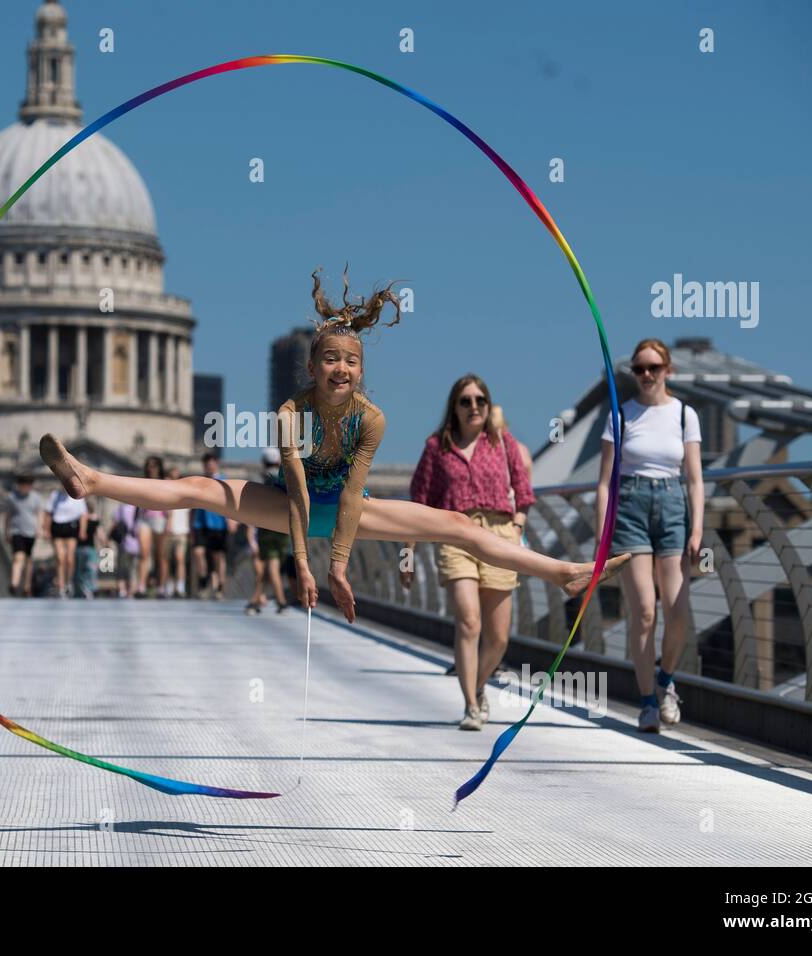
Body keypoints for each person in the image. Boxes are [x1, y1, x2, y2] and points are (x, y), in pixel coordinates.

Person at [38, 265, 630, 626]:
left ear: (360, 369)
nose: (340, 368)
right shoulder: (292, 411)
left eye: (351, 360)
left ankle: (561, 573)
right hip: (290, 504)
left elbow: (351, 495)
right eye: (330, 359)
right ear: (313, 365)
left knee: (459, 526)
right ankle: (91, 480)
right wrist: (303, 565)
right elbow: (294, 492)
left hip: (351, 508)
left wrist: (339, 568)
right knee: (200, 488)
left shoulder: (371, 418)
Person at [403, 376, 534, 730]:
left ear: (488, 406)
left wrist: (517, 528)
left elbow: (523, 492)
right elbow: (419, 501)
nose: (473, 406)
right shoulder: (437, 448)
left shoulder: (503, 442)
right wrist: (408, 551)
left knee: (499, 636)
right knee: (469, 621)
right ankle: (471, 705)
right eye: (465, 401)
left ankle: (478, 685)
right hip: (455, 533)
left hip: (499, 534)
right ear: (454, 407)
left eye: (480, 400)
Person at [596, 337, 704, 733]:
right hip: (630, 507)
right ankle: (646, 703)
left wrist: (697, 529)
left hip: (673, 506)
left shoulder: (684, 415)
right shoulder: (620, 415)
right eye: (639, 368)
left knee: (677, 612)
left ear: (668, 371)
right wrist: (602, 534)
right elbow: (605, 481)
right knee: (644, 610)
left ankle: (666, 679)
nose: (645, 375)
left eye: (653, 368)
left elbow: (694, 478)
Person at [245, 447, 291, 615]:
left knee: (271, 565)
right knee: (271, 566)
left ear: (263, 462)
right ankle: (257, 600)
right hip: (283, 527)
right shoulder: (285, 478)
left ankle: (280, 602)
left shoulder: (258, 479)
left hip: (265, 527)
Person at [190, 452, 236, 599]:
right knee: (198, 552)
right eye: (207, 463)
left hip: (218, 524)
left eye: (211, 462)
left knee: (218, 556)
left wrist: (232, 520)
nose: (209, 466)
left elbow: (230, 503)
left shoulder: (223, 481)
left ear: (216, 464)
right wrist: (191, 525)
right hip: (200, 523)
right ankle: (203, 581)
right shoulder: (200, 480)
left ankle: (220, 586)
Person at [133, 456, 168, 598]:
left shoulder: (165, 483)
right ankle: (141, 586)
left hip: (160, 519)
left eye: (154, 465)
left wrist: (169, 521)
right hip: (145, 519)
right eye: (149, 465)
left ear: (159, 467)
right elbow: (136, 502)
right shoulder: (143, 481)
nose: (151, 468)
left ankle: (161, 587)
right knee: (144, 554)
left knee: (161, 556)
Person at [3, 473, 44, 597]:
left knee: (29, 560)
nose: (26, 487)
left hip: (31, 532)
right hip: (17, 531)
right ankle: (14, 584)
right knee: (18, 557)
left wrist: (39, 528)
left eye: (28, 485)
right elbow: (7, 516)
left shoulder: (36, 498)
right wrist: (6, 532)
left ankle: (27, 586)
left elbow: (40, 514)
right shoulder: (11, 497)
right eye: (23, 485)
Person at [43, 485, 86, 598]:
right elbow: (48, 513)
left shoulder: (78, 496)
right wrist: (46, 530)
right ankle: (61, 586)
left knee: (70, 559)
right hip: (58, 527)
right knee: (60, 558)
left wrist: (82, 530)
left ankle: (68, 581)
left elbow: (83, 515)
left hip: (71, 527)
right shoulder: (55, 495)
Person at [165, 467, 191, 598]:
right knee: (168, 560)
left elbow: (190, 513)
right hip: (168, 531)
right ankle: (169, 586)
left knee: (179, 559)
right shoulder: (165, 491)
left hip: (182, 530)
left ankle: (180, 586)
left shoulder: (186, 491)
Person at [74, 497, 102, 599]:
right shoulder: (94, 519)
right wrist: (105, 543)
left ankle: (80, 589)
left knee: (79, 571)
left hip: (79, 548)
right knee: (91, 570)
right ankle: (90, 588)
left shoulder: (78, 517)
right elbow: (99, 534)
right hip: (90, 548)